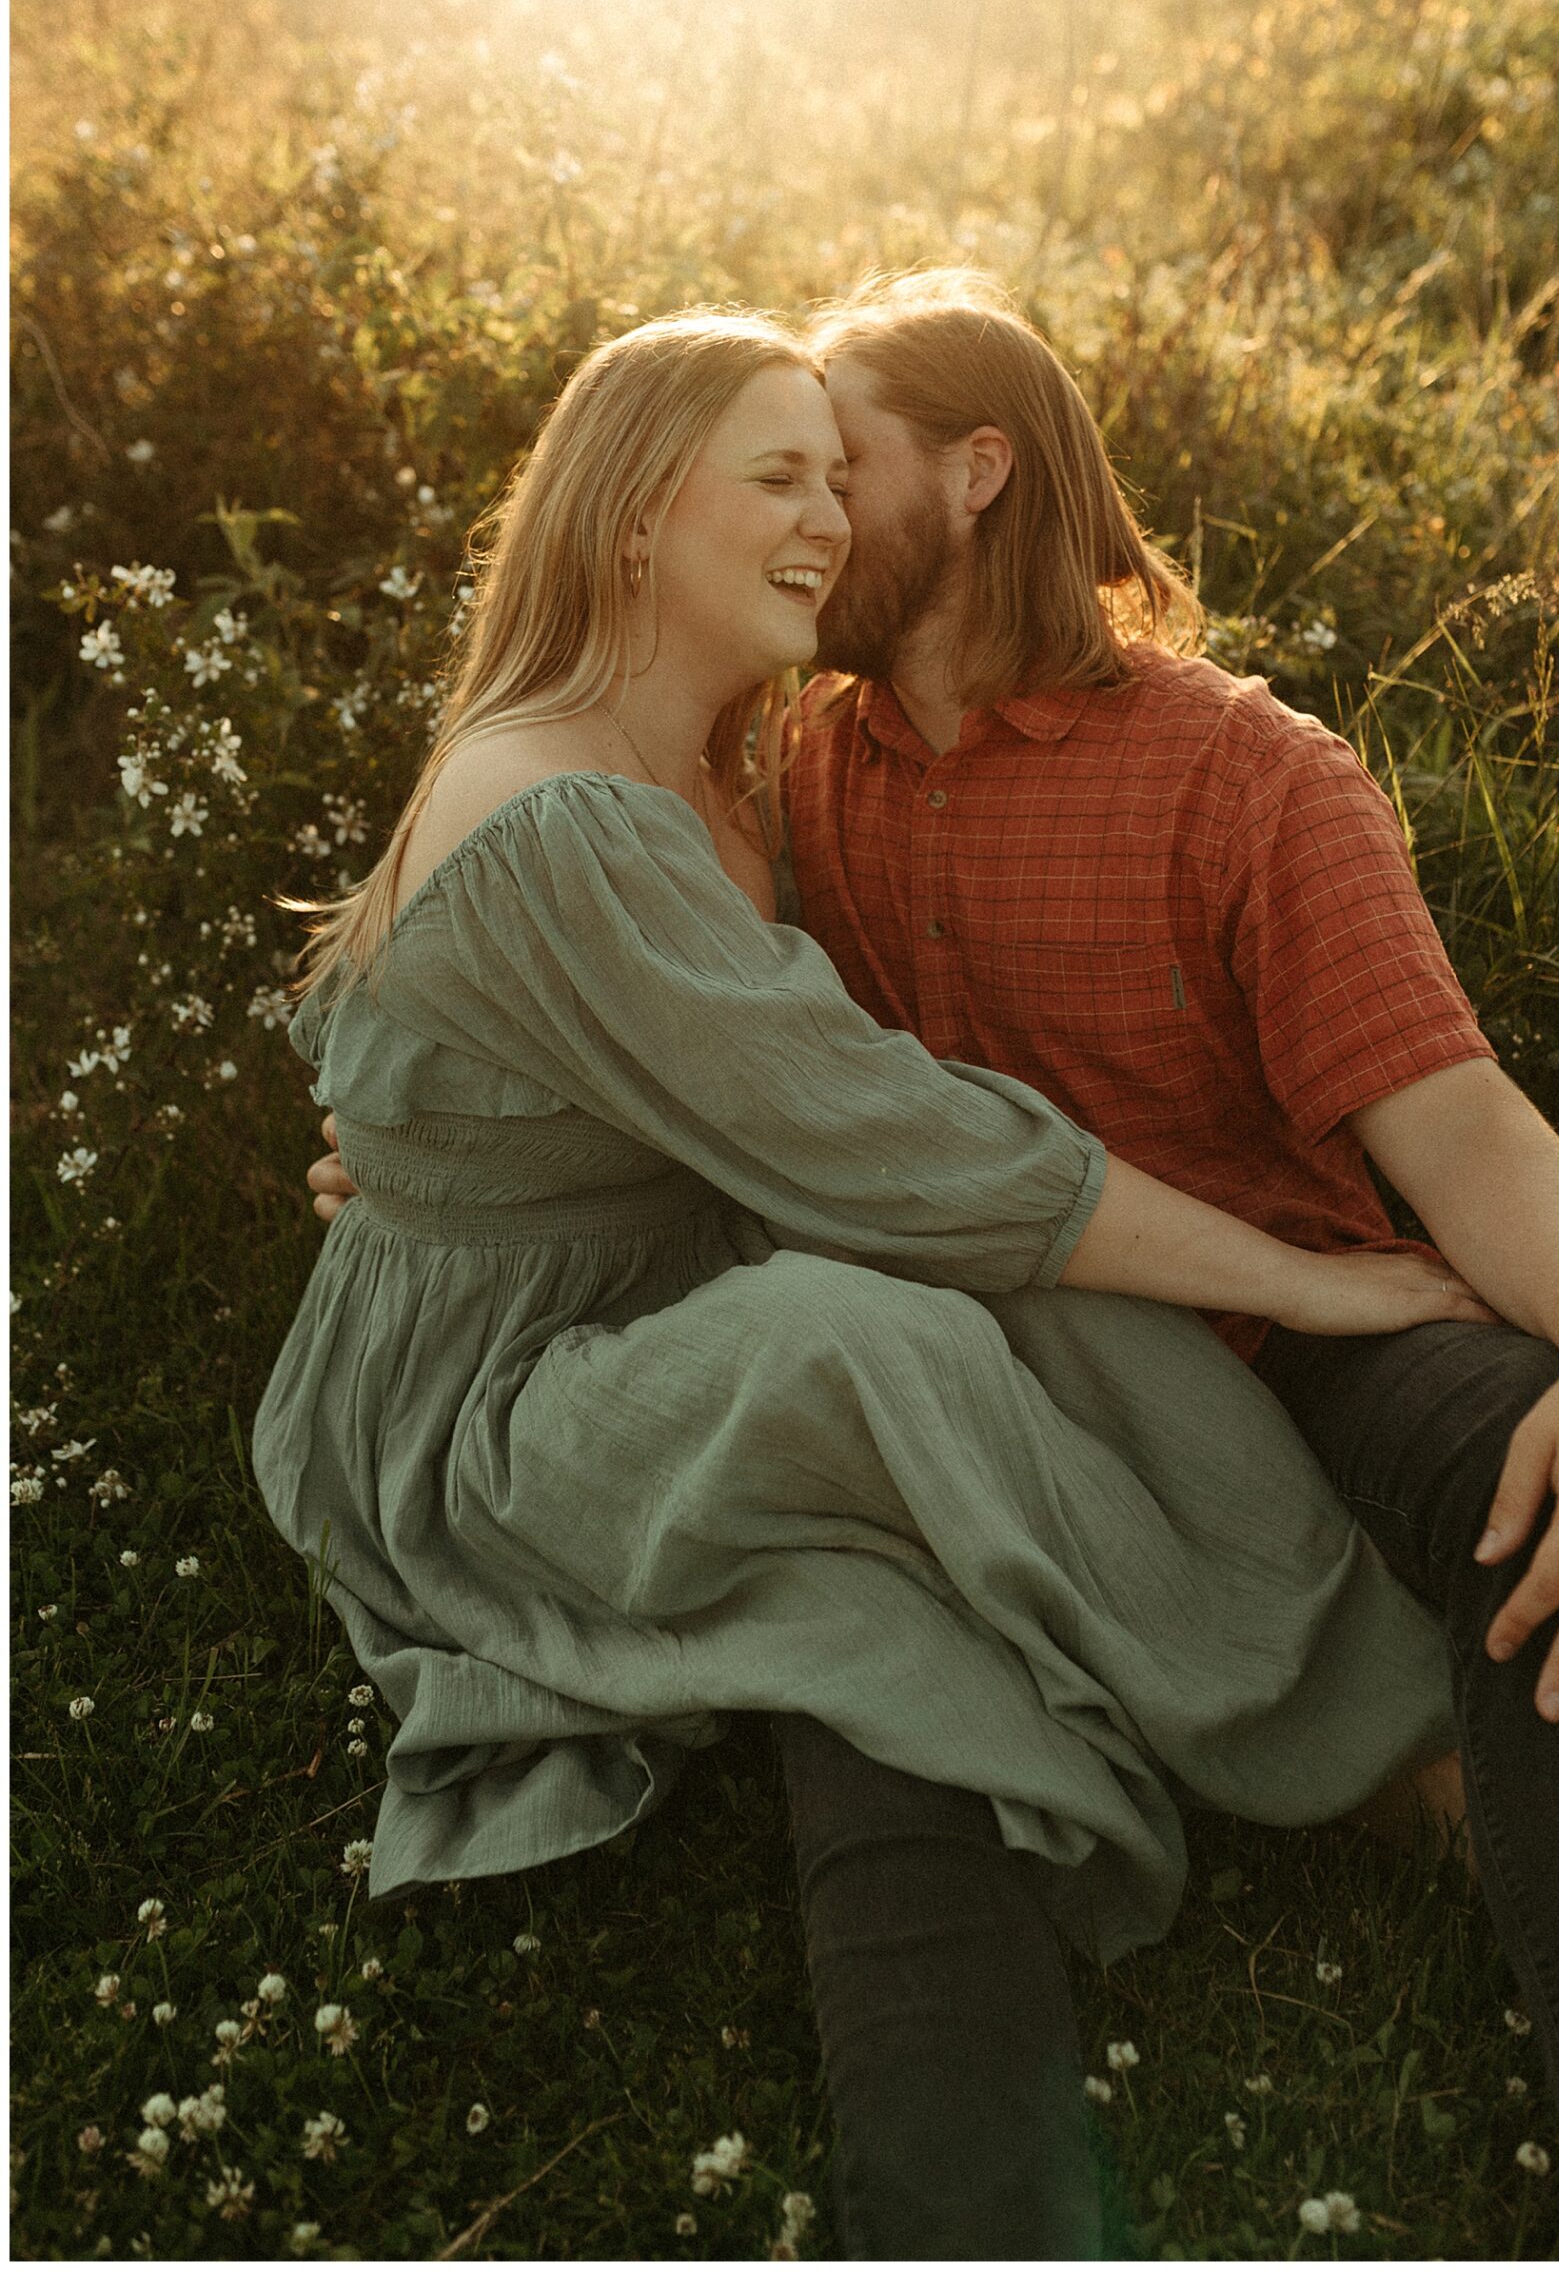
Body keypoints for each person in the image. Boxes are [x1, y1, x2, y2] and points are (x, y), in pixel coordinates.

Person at [277, 308, 1494, 2261]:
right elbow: (890, 1137)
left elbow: (749, 1116)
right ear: (623, 522)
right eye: (776, 476)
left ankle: (1380, 1711)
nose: (827, 519)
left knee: (1061, 1310)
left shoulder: (725, 767)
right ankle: (1313, 1737)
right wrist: (1311, 1279)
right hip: (488, 1413)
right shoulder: (558, 801)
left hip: (656, 1282)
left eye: (837, 477)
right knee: (861, 1317)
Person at [779, 269, 1559, 2262]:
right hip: (983, 1359)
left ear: (974, 471)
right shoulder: (792, 769)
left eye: (826, 469)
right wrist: (430, 1143)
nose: (794, 520)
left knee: (1544, 1476)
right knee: (854, 1664)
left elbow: (1438, 1113)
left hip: (1307, 1316)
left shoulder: (1241, 775)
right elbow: (632, 997)